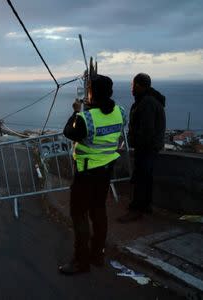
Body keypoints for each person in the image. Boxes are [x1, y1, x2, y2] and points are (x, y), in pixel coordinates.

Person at [59, 74, 126, 275]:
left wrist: (75, 112)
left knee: (79, 215)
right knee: (98, 211)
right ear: (110, 92)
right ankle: (97, 255)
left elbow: (68, 133)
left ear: (90, 93)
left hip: (86, 173)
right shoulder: (121, 112)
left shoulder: (84, 118)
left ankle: (81, 261)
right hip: (106, 171)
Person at [117, 73, 166, 223]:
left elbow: (146, 130)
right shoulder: (149, 101)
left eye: (133, 85)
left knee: (140, 177)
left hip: (146, 148)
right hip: (150, 147)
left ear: (139, 85)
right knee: (146, 177)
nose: (131, 89)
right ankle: (145, 206)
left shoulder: (147, 103)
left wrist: (135, 141)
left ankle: (136, 209)